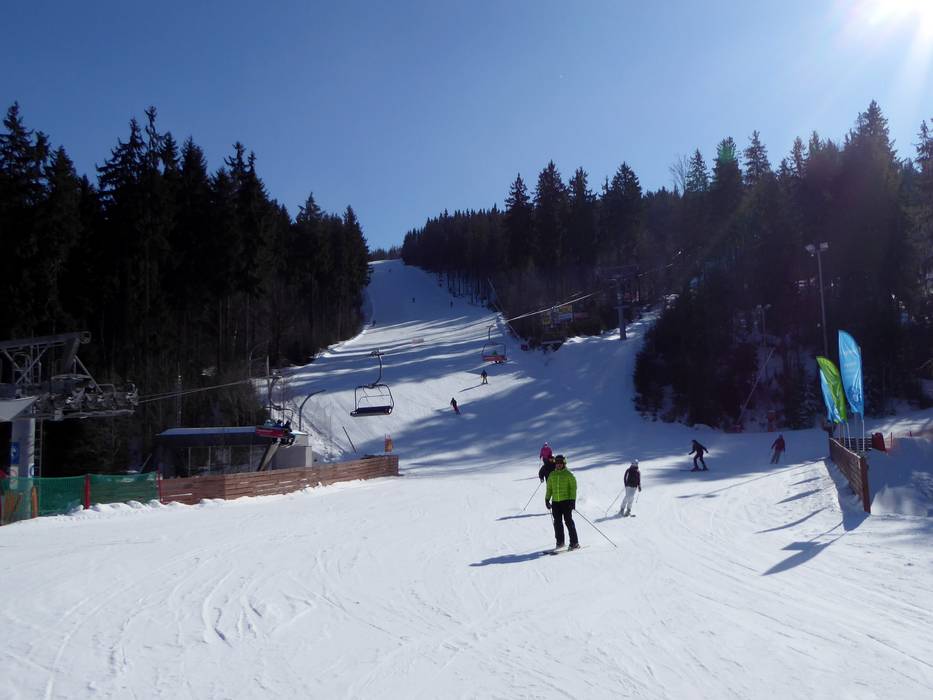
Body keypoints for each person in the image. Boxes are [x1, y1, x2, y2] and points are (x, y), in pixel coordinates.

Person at [545, 455, 579, 551]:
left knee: (568, 521)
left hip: (566, 502)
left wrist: (572, 500)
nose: (558, 465)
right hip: (555, 502)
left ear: (564, 464)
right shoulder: (552, 475)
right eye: (557, 463)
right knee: (557, 523)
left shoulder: (568, 474)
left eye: (560, 463)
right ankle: (560, 542)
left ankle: (574, 542)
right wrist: (547, 499)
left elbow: (573, 488)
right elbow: (549, 488)